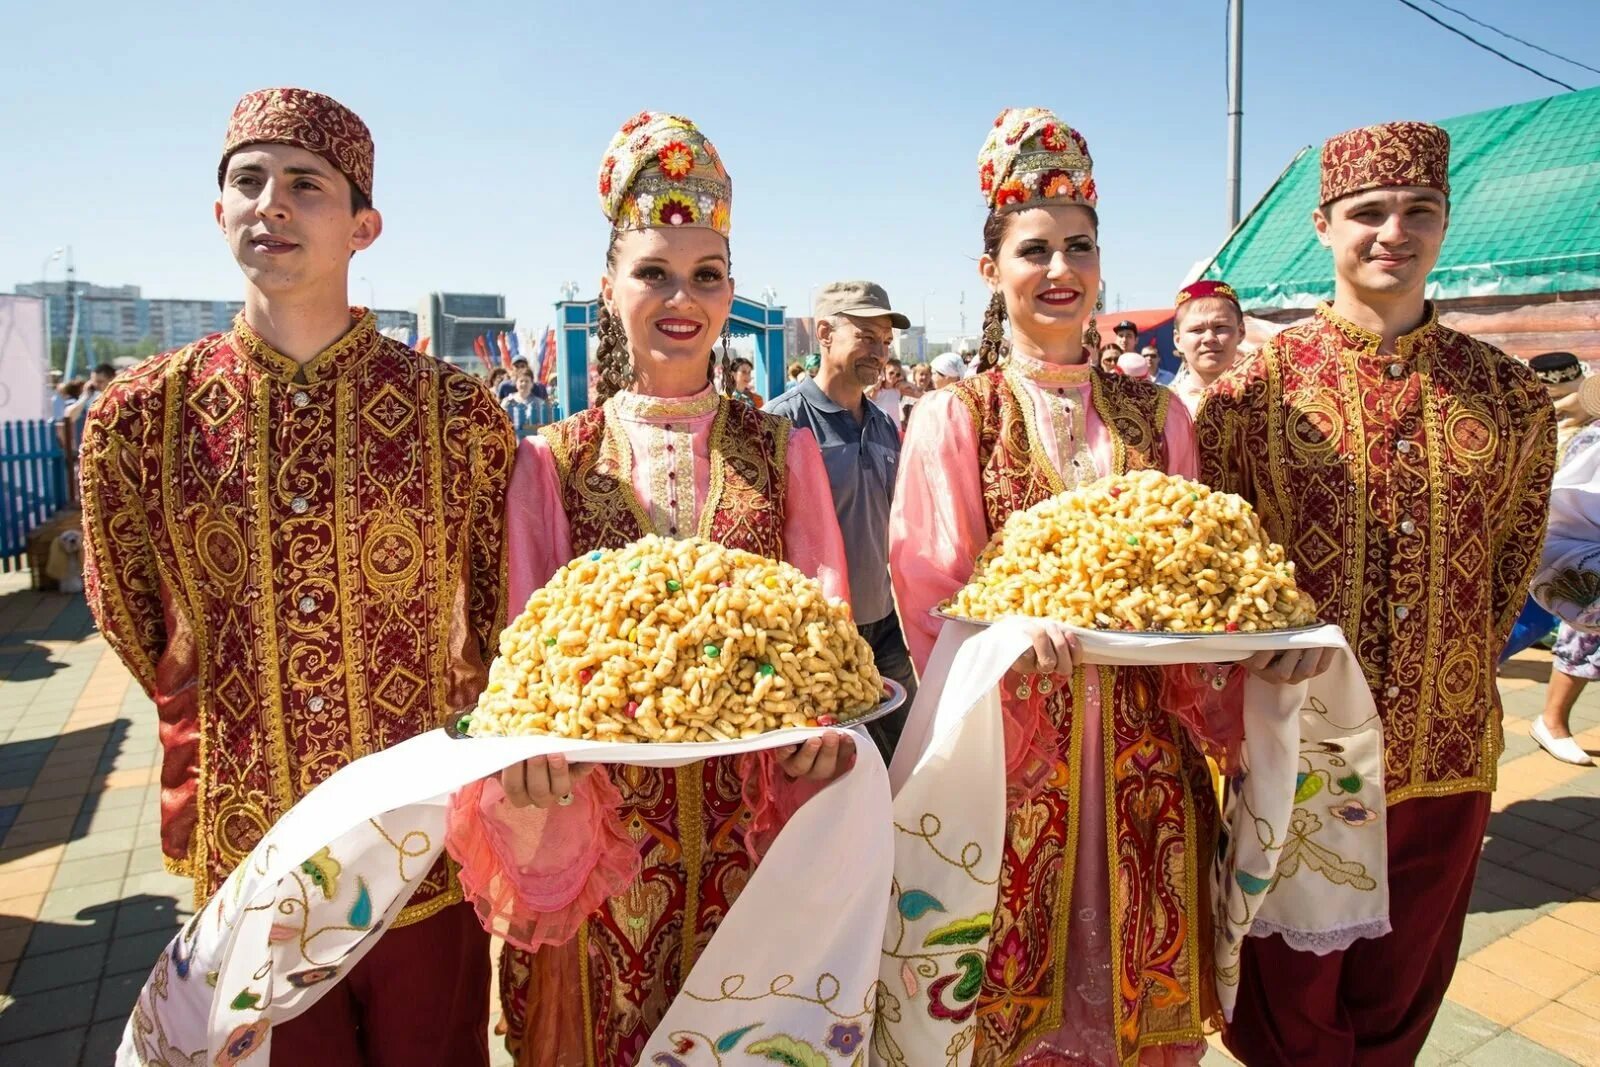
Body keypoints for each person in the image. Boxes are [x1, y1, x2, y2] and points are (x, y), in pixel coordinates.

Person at [79, 87, 514, 1065]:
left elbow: (498, 619)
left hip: (420, 855)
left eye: (305, 184)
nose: (270, 202)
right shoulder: (141, 420)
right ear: (218, 211)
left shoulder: (456, 415)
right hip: (254, 846)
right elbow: (135, 618)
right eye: (248, 181)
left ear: (364, 225)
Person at [890, 106, 1297, 1066]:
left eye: (1081, 247)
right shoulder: (959, 415)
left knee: (1139, 1008)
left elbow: (1199, 573)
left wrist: (1246, 649)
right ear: (991, 270)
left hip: (1147, 764)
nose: (1062, 270)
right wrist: (1000, 637)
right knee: (1007, 1013)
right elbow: (932, 590)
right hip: (1016, 772)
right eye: (1036, 250)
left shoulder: (1157, 416)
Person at [457, 111, 859, 1067]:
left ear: (730, 292)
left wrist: (823, 737)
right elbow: (528, 652)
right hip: (603, 834)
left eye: (707, 274)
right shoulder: (553, 462)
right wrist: (531, 756)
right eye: (654, 272)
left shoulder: (782, 448)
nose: (683, 296)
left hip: (755, 821)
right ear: (609, 288)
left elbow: (826, 627)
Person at [1198, 120, 1557, 1064]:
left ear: (1444, 225)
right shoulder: (1253, 394)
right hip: (1296, 747)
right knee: (1287, 1000)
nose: (1393, 231)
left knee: (1402, 997)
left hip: (1447, 749)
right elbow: (1216, 568)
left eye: (1419, 212)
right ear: (1322, 225)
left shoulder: (1511, 398)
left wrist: (1450, 672)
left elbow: (1513, 556)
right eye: (1368, 212)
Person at [768, 280, 918, 760]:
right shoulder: (780, 425)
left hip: (885, 625)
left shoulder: (883, 425)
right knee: (839, 773)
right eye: (867, 338)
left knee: (910, 757)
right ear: (825, 333)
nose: (879, 353)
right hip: (817, 638)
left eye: (885, 343)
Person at [1168, 280, 1245, 413]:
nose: (1209, 338)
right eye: (1197, 330)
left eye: (1220, 327)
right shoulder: (1161, 409)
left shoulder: (1266, 401)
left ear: (1241, 332)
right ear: (1178, 340)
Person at [501, 365, 546, 437]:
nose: (524, 384)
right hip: (511, 440)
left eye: (527, 381)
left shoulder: (539, 403)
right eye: (521, 381)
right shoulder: (507, 401)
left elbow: (544, 425)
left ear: (532, 384)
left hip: (533, 441)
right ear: (516, 383)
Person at [869, 357, 911, 431]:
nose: (894, 376)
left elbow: (914, 390)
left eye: (897, 374)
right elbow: (869, 401)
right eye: (891, 373)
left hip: (896, 429)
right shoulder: (877, 390)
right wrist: (874, 388)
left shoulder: (897, 389)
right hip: (881, 429)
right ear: (884, 373)